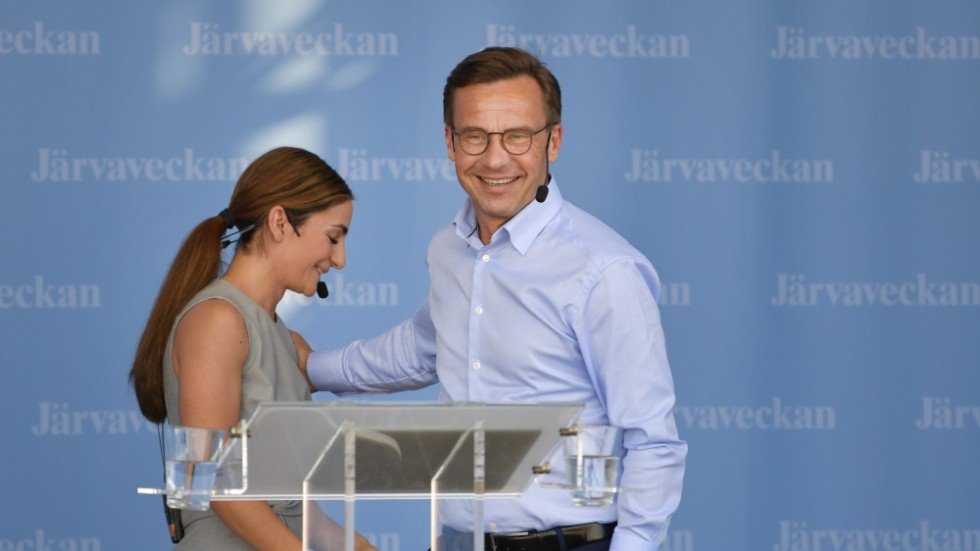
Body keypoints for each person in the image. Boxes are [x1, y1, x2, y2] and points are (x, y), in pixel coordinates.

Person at [298, 47, 687, 550]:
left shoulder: (603, 270)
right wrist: (310, 367)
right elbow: (421, 348)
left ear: (553, 142)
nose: (495, 158)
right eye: (475, 136)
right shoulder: (447, 249)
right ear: (450, 142)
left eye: (518, 136)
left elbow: (653, 440)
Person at [129, 146, 375, 551]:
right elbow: (212, 479)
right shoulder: (216, 321)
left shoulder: (282, 337)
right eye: (333, 238)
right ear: (280, 223)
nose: (340, 259)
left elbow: (290, 504)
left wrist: (355, 545)